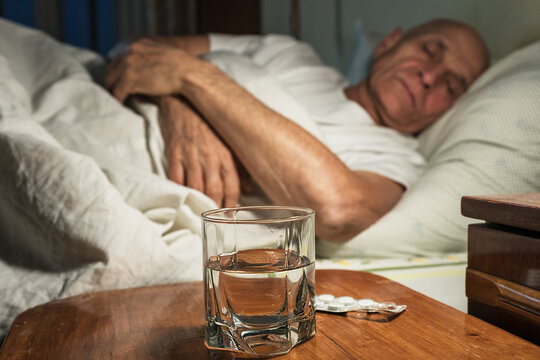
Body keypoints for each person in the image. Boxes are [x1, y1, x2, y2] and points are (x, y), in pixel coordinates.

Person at [105, 19, 489, 243]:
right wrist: (179, 107)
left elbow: (339, 210)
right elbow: (136, 52)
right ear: (389, 43)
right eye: (429, 51)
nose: (429, 76)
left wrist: (194, 77)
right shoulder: (287, 53)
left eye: (451, 85)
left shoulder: (397, 160)